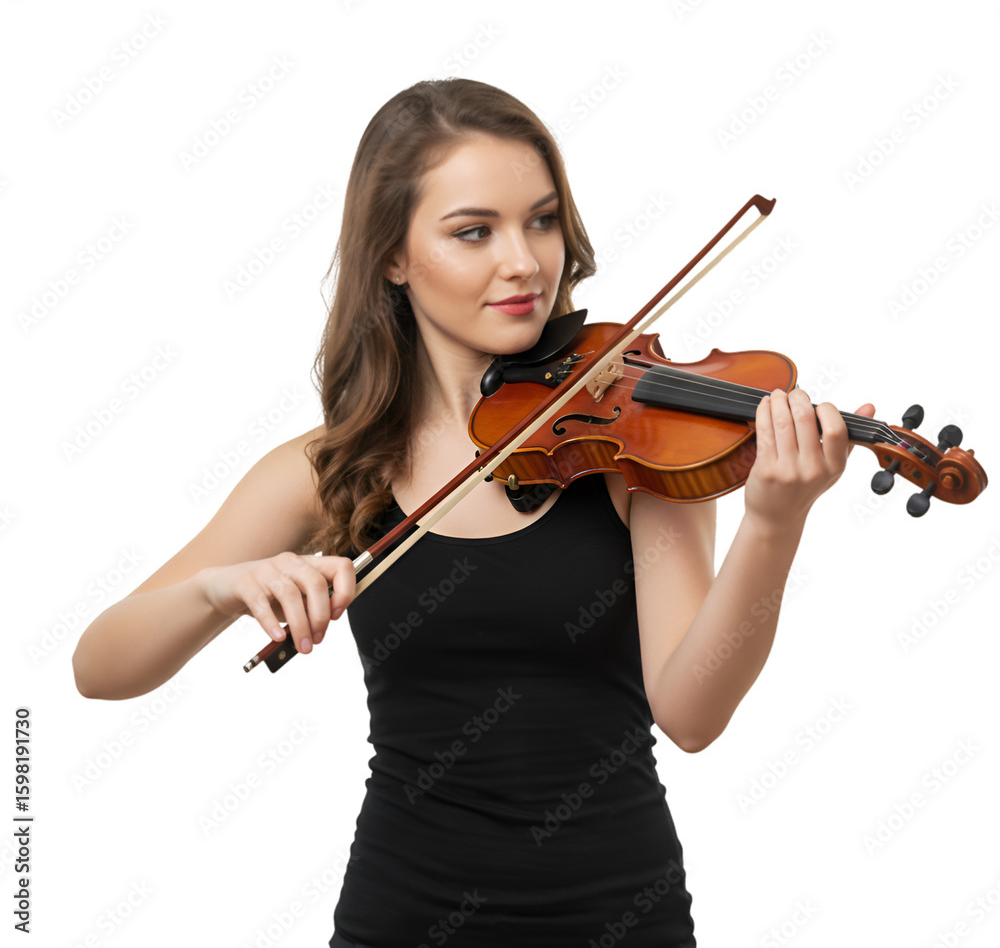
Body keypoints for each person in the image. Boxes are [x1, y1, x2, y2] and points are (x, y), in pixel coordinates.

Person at [73, 78, 875, 946]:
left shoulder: (631, 440)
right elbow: (99, 666)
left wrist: (773, 525)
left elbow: (691, 714)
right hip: (401, 919)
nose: (525, 262)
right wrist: (221, 589)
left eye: (542, 221)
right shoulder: (330, 468)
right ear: (393, 256)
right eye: (473, 232)